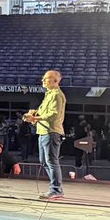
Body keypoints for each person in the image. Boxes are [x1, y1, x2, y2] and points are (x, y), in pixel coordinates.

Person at [25, 69, 66, 200]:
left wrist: (35, 119)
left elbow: (53, 114)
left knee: (51, 161)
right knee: (44, 162)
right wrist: (34, 114)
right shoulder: (49, 95)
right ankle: (57, 188)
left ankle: (56, 189)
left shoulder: (56, 95)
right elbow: (45, 112)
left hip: (51, 132)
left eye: (46, 78)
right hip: (44, 132)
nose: (43, 80)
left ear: (56, 81)